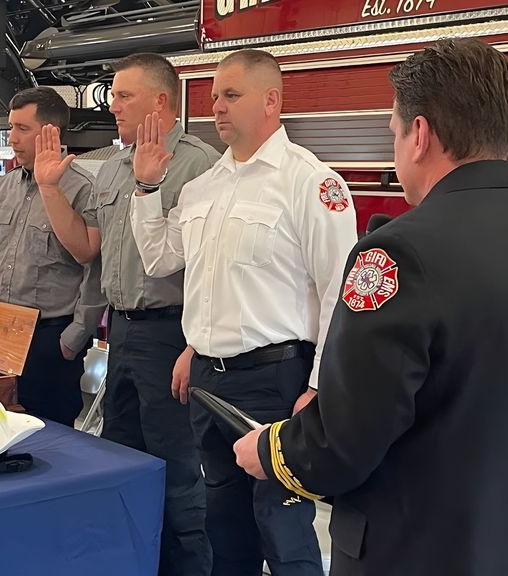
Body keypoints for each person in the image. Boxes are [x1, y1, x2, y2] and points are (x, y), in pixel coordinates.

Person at [233, 38, 508, 576]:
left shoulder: (397, 253)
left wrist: (270, 451)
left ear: (420, 135)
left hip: (418, 551)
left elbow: (346, 439)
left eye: (394, 131)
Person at [130, 49, 358, 576]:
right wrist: (145, 189)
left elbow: (339, 296)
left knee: (282, 526)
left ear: (271, 100)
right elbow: (163, 259)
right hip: (210, 380)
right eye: (213, 96)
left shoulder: (311, 183)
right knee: (222, 528)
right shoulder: (204, 186)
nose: (217, 107)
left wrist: (321, 389)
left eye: (232, 95)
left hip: (276, 379)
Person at [29, 54, 219, 576]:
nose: (112, 106)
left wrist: (194, 346)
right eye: (112, 95)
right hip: (124, 333)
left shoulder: (199, 165)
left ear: (162, 102)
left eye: (123, 96)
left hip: (172, 333)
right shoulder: (114, 164)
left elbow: (214, 268)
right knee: (120, 457)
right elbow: (87, 247)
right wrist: (48, 188)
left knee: (177, 469)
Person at [0, 87, 105, 426]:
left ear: (50, 133)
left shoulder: (82, 189)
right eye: (11, 127)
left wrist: (73, 337)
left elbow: (95, 268)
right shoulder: (6, 186)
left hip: (49, 336)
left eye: (21, 129)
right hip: (4, 332)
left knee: (50, 436)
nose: (11, 137)